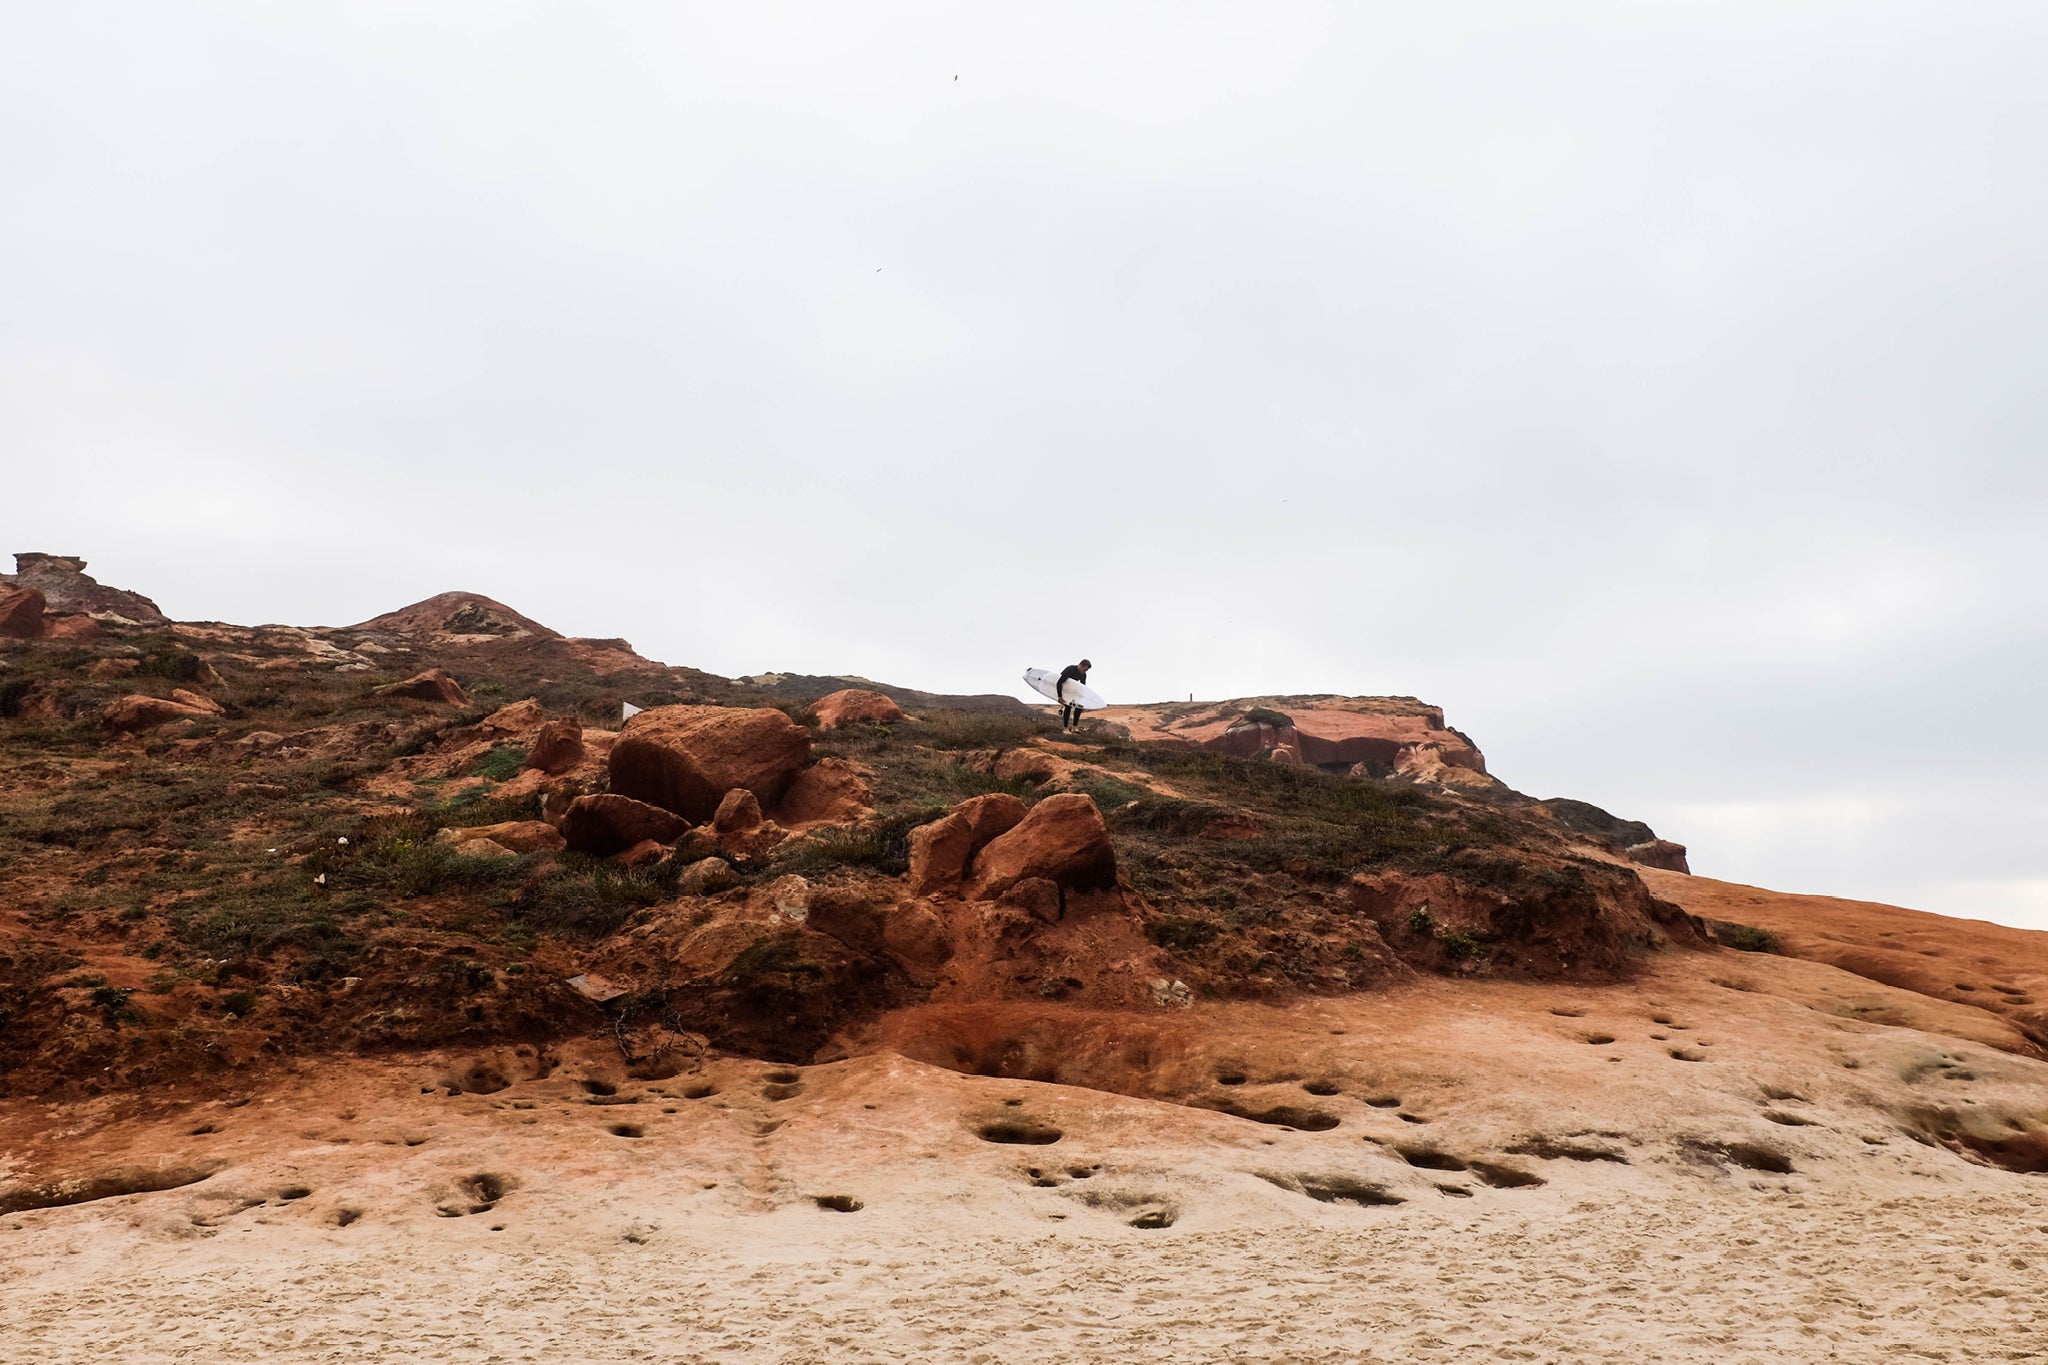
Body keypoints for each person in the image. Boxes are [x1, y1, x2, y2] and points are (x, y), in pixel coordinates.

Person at [1056, 658, 1092, 731]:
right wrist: (1060, 696)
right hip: (1064, 690)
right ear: (1081, 665)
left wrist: (1083, 700)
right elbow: (1059, 683)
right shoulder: (1070, 669)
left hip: (1073, 691)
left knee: (1079, 707)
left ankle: (1074, 727)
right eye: (1085, 669)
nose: (1085, 671)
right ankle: (1065, 728)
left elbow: (1082, 687)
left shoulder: (1083, 675)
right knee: (1068, 707)